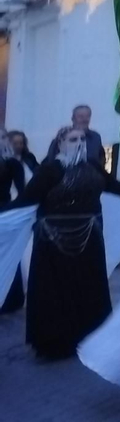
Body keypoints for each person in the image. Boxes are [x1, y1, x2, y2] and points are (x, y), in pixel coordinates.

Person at [1, 126, 120, 359]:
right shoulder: (50, 170)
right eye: (72, 139)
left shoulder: (92, 167)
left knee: (89, 288)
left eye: (81, 139)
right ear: (60, 143)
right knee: (55, 292)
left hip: (89, 240)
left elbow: (116, 187)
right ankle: (56, 345)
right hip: (53, 242)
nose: (78, 142)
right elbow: (27, 199)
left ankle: (90, 337)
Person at [1, 132, 23, 313]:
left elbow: (23, 191)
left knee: (6, 254)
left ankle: (9, 298)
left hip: (4, 213)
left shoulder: (12, 163)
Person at [45, 104, 105, 171]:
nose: (85, 119)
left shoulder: (96, 137)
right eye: (80, 116)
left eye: (87, 116)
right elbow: (49, 165)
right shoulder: (60, 139)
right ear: (73, 118)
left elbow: (101, 159)